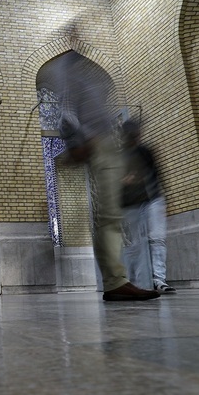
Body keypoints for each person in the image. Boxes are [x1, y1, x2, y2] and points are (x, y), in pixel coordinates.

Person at [54, 48, 159, 301]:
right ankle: (115, 282)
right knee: (109, 217)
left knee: (112, 216)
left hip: (109, 146)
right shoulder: (71, 76)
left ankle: (116, 281)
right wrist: (76, 144)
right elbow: (66, 115)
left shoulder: (88, 78)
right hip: (99, 146)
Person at [121, 119, 176, 294]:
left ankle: (159, 279)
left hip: (153, 200)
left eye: (137, 134)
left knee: (157, 238)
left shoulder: (145, 151)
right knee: (135, 243)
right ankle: (135, 282)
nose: (136, 138)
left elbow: (158, 173)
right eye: (132, 135)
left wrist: (167, 198)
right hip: (130, 205)